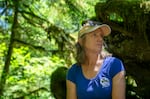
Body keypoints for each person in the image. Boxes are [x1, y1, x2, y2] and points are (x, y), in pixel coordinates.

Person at [66, 20, 126, 99]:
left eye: (101, 35)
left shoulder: (114, 65)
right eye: (94, 35)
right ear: (81, 41)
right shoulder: (73, 72)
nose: (100, 39)